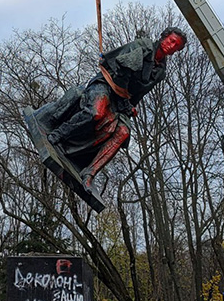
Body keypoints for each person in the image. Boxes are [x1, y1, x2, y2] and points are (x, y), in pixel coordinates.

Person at [33, 27, 188, 188]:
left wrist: (130, 108)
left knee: (123, 132)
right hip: (106, 85)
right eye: (171, 41)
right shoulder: (144, 46)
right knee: (96, 112)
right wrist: (124, 101)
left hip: (120, 101)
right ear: (164, 37)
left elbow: (139, 94)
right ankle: (58, 134)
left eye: (176, 46)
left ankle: (90, 172)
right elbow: (122, 71)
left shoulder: (160, 72)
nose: (172, 46)